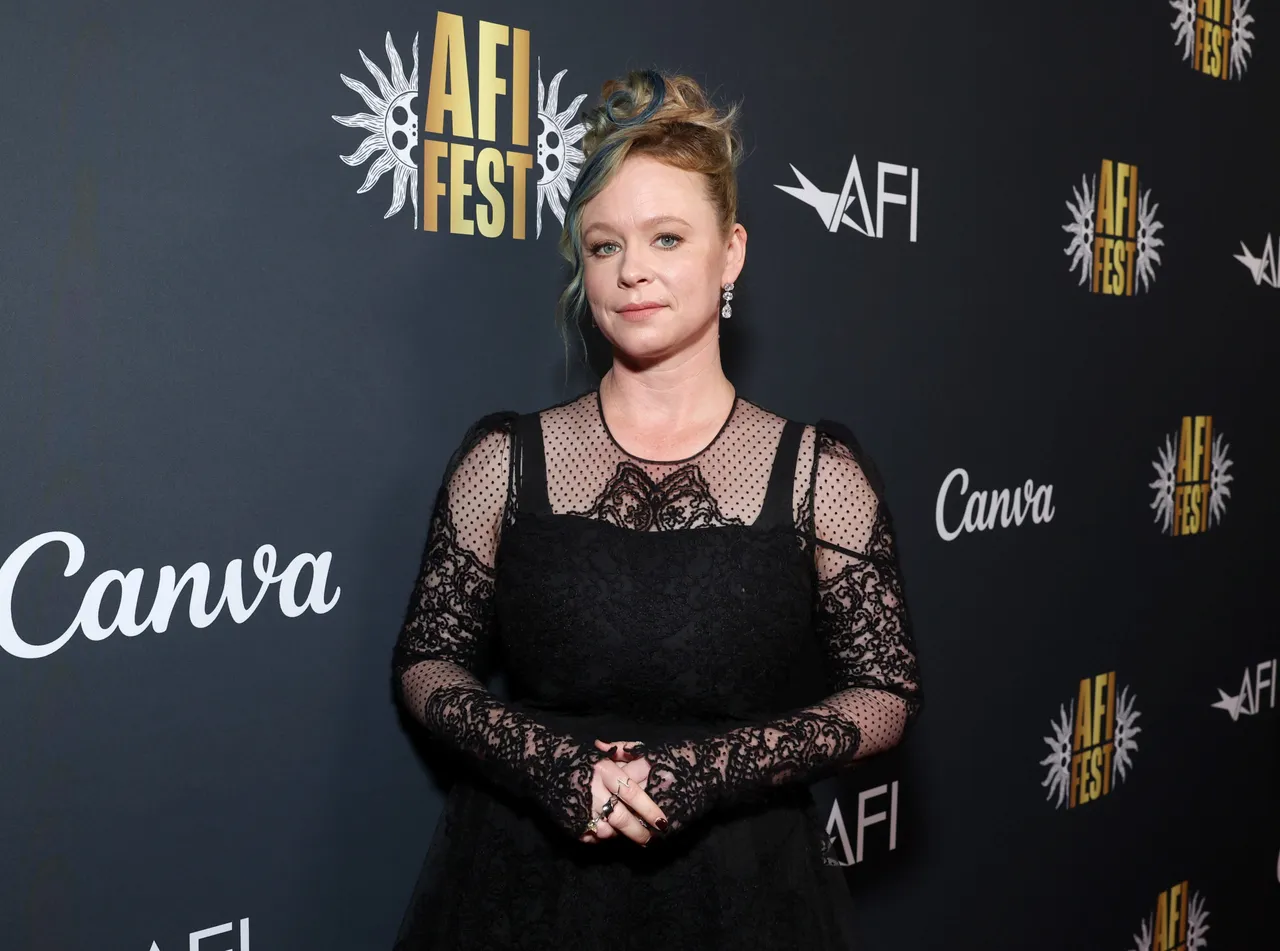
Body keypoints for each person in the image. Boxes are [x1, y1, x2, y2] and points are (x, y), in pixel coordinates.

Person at [390, 68, 922, 951]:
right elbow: (427, 662)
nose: (631, 269)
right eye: (603, 246)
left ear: (732, 252)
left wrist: (711, 770)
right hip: (518, 890)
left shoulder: (818, 473)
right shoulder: (503, 461)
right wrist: (546, 761)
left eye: (667, 237)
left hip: (744, 895)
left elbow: (886, 690)